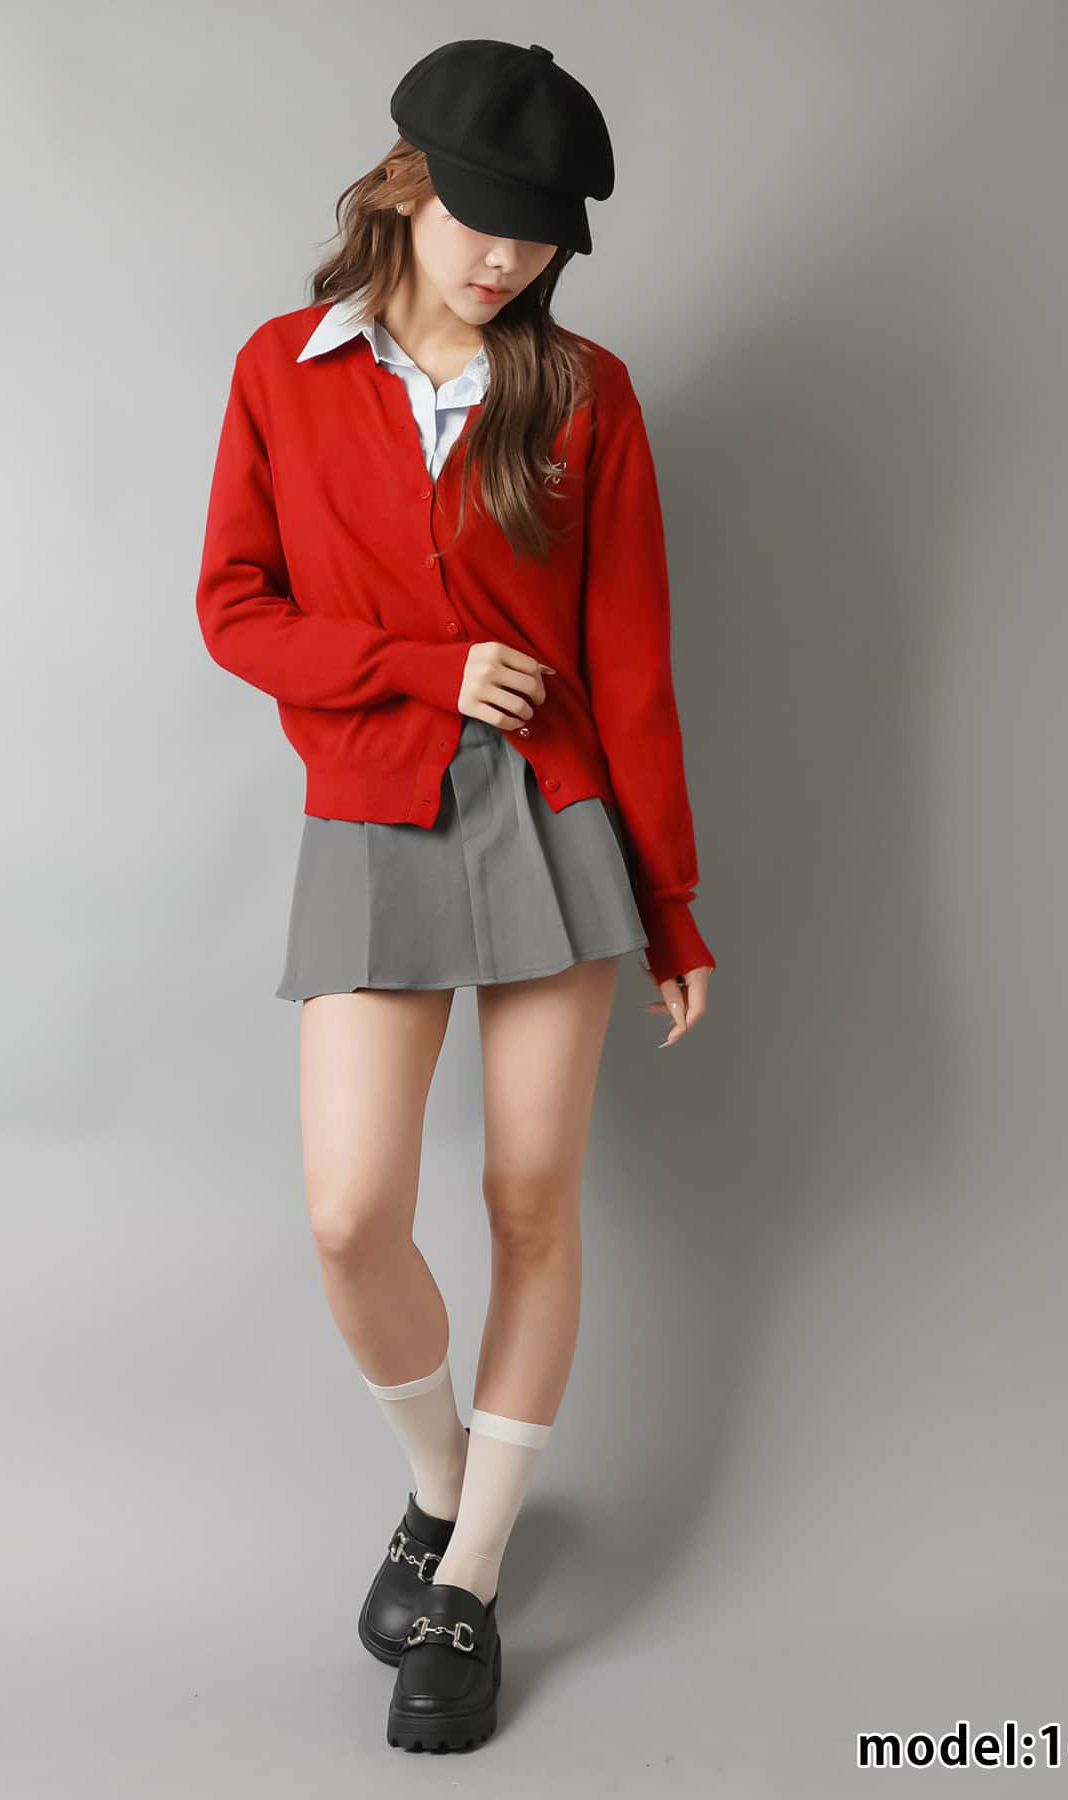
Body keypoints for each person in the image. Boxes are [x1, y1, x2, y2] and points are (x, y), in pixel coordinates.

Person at [194, 38, 716, 1754]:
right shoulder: (282, 371)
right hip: (374, 809)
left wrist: (673, 900)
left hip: (557, 821)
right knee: (353, 1212)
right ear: (408, 186)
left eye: (541, 233)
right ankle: (440, 1485)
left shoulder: (585, 393)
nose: (507, 256)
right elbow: (237, 608)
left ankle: (470, 1581)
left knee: (526, 1198)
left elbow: (631, 661)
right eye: (485, 216)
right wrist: (421, 667)